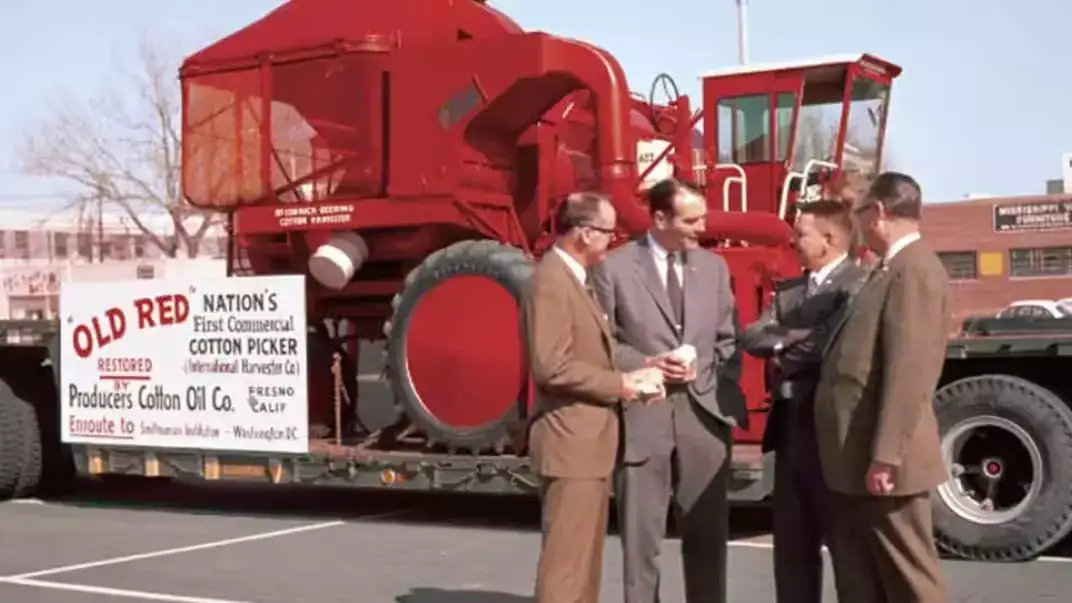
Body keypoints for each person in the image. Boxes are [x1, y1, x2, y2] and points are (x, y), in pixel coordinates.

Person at [590, 178, 743, 603]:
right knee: (642, 542)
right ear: (659, 218)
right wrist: (646, 365)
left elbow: (730, 341)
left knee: (708, 538)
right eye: (692, 219)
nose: (702, 227)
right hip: (643, 417)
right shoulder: (613, 269)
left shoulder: (714, 269)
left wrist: (710, 380)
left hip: (704, 419)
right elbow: (601, 344)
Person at [814, 171, 951, 603]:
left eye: (861, 212)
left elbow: (909, 370)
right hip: (859, 457)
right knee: (864, 577)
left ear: (880, 212)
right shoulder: (890, 268)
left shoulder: (914, 271)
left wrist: (886, 456)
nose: (858, 222)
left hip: (886, 463)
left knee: (908, 577)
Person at [522, 191, 658, 603]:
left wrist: (643, 367)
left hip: (587, 444)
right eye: (607, 232)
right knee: (567, 567)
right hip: (570, 442)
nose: (612, 240)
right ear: (583, 234)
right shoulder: (550, 282)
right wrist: (622, 385)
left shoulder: (573, 280)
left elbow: (593, 351)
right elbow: (551, 366)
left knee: (584, 565)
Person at [740, 198, 866, 603]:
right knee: (792, 546)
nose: (793, 240)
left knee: (846, 547)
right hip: (791, 430)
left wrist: (785, 344)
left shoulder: (859, 285)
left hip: (834, 432)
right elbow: (752, 336)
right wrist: (787, 341)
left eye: (801, 233)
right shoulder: (790, 291)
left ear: (828, 239)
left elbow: (827, 346)